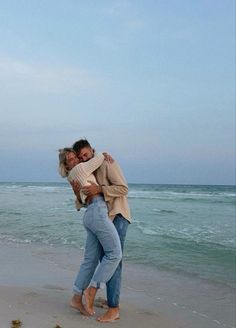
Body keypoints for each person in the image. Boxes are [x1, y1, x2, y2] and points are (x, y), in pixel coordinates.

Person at [71, 139, 131, 323]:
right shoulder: (86, 171)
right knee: (101, 259)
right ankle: (110, 299)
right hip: (102, 218)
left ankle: (114, 308)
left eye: (86, 155)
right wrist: (77, 193)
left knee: (114, 259)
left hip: (118, 215)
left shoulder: (106, 162)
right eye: (81, 157)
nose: (83, 158)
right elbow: (82, 203)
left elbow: (123, 188)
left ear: (92, 151)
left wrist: (101, 189)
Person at [58, 148, 122, 316]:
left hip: (91, 213)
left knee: (90, 260)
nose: (76, 161)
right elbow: (98, 158)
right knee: (115, 254)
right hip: (98, 211)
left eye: (75, 158)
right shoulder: (80, 169)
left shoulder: (74, 175)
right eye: (70, 160)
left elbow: (80, 201)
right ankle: (93, 288)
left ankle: (76, 297)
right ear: (66, 165)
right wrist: (104, 152)